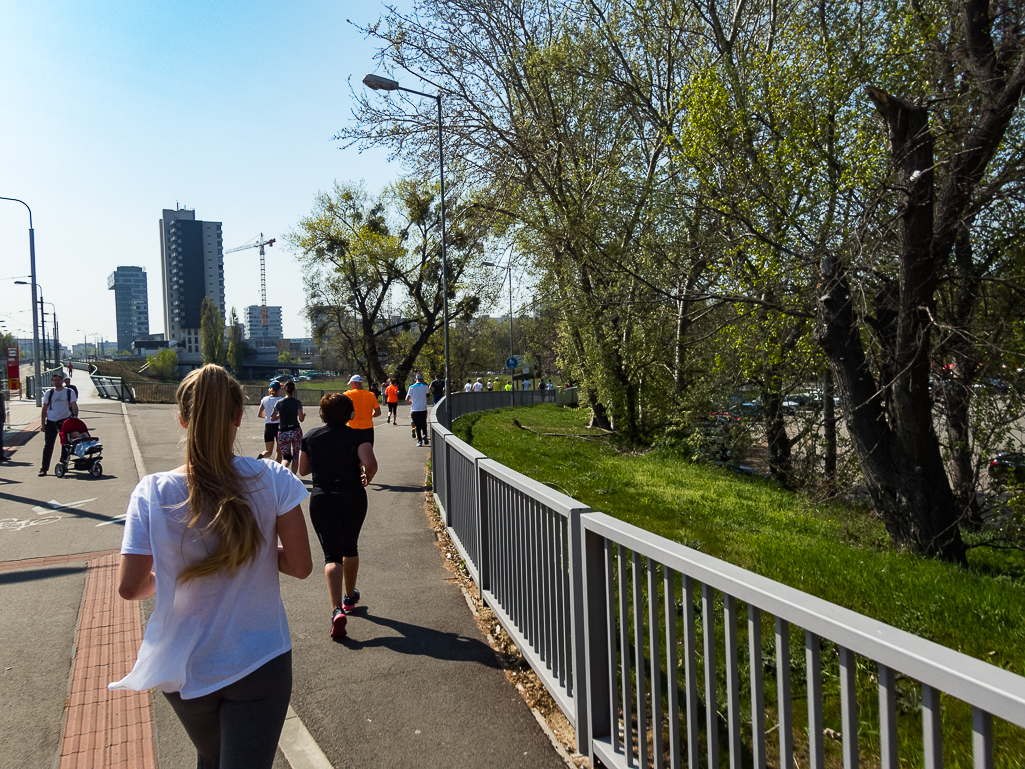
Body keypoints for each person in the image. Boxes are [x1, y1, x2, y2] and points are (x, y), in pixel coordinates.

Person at [109, 364, 313, 769]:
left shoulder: (152, 491)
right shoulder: (274, 480)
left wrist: (174, 571)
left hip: (182, 665)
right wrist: (249, 551)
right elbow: (301, 566)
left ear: (182, 418)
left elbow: (131, 587)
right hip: (261, 660)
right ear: (239, 417)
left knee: (212, 757)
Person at [298, 392, 378, 639]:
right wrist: (368, 476)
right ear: (349, 414)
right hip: (352, 496)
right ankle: (350, 596)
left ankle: (336, 611)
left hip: (322, 498)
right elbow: (371, 463)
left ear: (322, 414)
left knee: (331, 555)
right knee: (350, 546)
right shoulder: (358, 435)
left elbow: (303, 469)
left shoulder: (310, 436)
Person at [39, 373, 78, 476]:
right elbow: (44, 409)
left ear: (62, 381)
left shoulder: (69, 392)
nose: (57, 382)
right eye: (54, 380)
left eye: (58, 380)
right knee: (48, 445)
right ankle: (44, 468)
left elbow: (74, 406)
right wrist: (43, 424)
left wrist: (75, 417)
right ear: (52, 382)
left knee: (65, 444)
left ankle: (63, 464)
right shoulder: (49, 393)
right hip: (51, 422)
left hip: (65, 421)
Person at [271, 381, 305, 473]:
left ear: (284, 390)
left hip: (283, 432)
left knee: (286, 457)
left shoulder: (279, 403)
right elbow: (301, 419)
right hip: (295, 431)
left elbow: (273, 418)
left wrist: (281, 415)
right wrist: (303, 415)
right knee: (296, 455)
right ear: (294, 390)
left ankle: (283, 473)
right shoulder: (297, 402)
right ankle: (293, 477)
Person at [344, 374, 382, 444]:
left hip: (352, 427)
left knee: (352, 452)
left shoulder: (347, 394)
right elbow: (378, 412)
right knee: (367, 451)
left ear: (353, 383)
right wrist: (370, 415)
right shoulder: (371, 395)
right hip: (368, 427)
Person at [257, 382, 284, 461]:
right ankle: (276, 469)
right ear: (279, 390)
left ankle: (259, 459)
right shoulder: (281, 400)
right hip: (279, 426)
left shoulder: (265, 399)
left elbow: (259, 414)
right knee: (279, 451)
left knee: (268, 451)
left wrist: (267, 416)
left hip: (268, 426)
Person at [406, 373, 430, 447]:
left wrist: (409, 401)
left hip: (414, 409)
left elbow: (407, 398)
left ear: (416, 379)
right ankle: (425, 434)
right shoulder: (425, 386)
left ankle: (419, 441)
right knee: (424, 423)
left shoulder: (411, 387)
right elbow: (428, 396)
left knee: (417, 425)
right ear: (422, 379)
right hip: (423, 408)